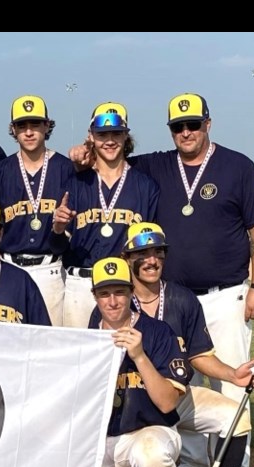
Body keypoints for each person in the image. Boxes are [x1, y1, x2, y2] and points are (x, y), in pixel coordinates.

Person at [70, 93, 254, 467]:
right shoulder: (156, 165)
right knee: (184, 383)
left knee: (232, 383)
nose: (186, 132)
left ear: (208, 125)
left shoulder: (236, 166)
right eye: (178, 127)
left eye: (193, 125)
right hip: (174, 299)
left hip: (227, 293)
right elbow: (112, 161)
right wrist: (81, 153)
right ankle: (193, 465)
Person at [95, 222, 254, 467]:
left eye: (158, 252)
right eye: (142, 254)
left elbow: (198, 354)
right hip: (132, 404)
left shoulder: (182, 299)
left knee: (237, 418)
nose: (151, 260)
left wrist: (231, 374)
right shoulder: (113, 304)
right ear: (128, 259)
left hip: (176, 397)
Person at [87, 257, 192, 467]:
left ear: (132, 292)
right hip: (105, 443)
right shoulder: (87, 337)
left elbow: (168, 403)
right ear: (94, 296)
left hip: (151, 431)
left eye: (119, 292)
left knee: (151, 457)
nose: (112, 301)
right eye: (104, 293)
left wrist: (140, 356)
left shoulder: (158, 332)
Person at [54, 102, 157, 329]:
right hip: (81, 283)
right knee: (78, 357)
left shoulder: (145, 185)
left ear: (126, 136)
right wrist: (58, 228)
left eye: (116, 133)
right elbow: (59, 244)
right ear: (91, 136)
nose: (109, 140)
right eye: (102, 134)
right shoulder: (76, 183)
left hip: (123, 284)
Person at [0, 95, 75, 326]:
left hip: (50, 269)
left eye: (35, 124)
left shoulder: (66, 169)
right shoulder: (0, 171)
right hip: (9, 266)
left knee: (51, 340)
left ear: (47, 126)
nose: (28, 132)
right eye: (21, 126)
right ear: (13, 130)